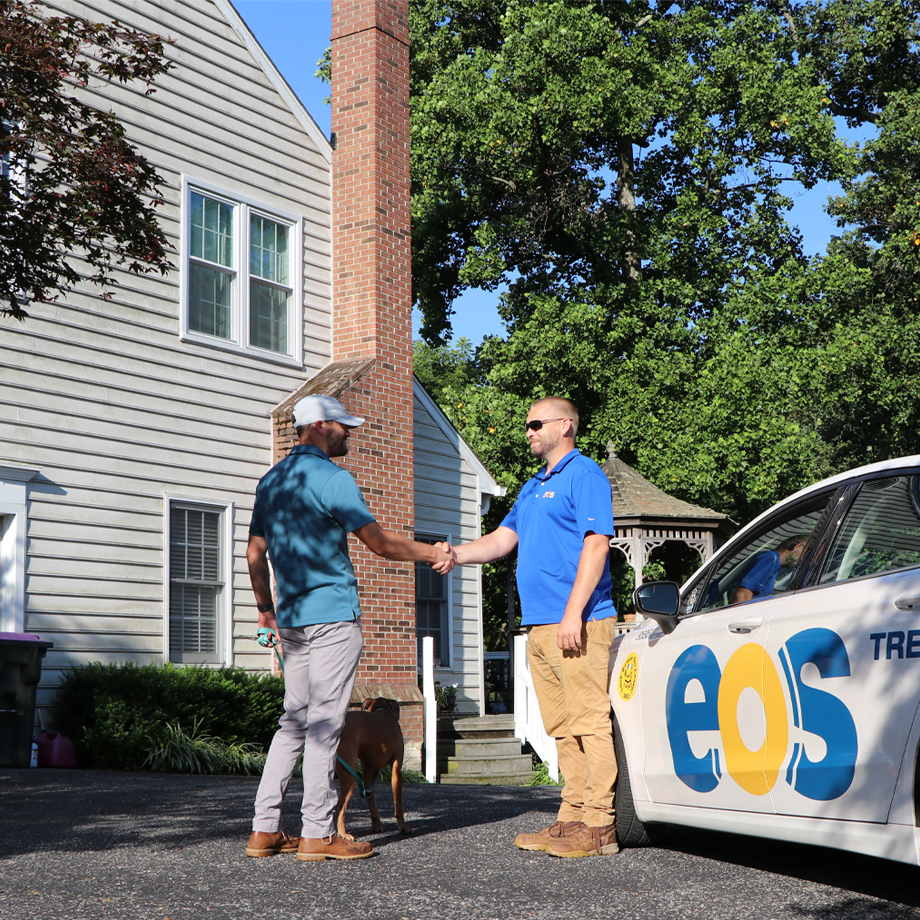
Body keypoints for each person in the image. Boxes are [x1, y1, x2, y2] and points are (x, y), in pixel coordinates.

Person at [245, 394, 454, 862]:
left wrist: (266, 610)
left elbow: (254, 555)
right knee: (325, 723)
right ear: (319, 426)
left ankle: (263, 831)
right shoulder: (333, 479)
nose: (350, 433)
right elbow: (379, 544)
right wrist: (432, 553)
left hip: (294, 620)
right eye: (343, 426)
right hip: (333, 620)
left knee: (292, 723)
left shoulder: (272, 481)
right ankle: (319, 834)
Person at [443, 396, 619, 859]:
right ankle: (571, 817)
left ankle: (600, 825)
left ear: (566, 425)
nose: (528, 431)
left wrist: (574, 612)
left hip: (578, 622)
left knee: (590, 723)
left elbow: (597, 545)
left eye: (536, 424)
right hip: (540, 626)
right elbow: (503, 540)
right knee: (562, 727)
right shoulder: (532, 486)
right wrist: (455, 554)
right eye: (527, 425)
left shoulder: (585, 474)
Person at [728, 534, 810, 605]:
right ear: (798, 546)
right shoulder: (770, 558)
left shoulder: (774, 564)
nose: (804, 559)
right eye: (807, 553)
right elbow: (742, 594)